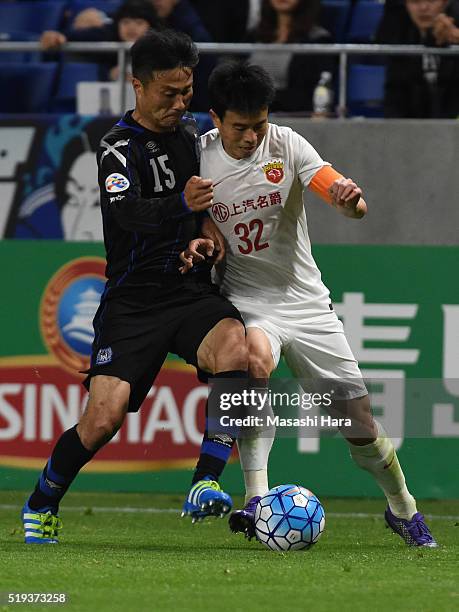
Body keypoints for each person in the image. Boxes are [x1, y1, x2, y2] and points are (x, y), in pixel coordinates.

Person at [181, 61, 438, 547]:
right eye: (240, 127)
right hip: (246, 299)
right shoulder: (199, 156)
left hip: (305, 302)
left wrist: (347, 199)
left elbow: (345, 199)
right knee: (254, 362)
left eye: (259, 124)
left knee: (356, 422)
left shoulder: (288, 144)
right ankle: (257, 503)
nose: (252, 137)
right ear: (215, 118)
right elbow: (186, 218)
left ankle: (402, 507)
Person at [21, 30, 249, 544]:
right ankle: (42, 501)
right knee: (102, 419)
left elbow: (200, 206)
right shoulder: (116, 149)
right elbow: (126, 214)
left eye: (186, 92)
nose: (179, 103)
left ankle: (205, 482)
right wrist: (184, 208)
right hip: (133, 300)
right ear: (137, 87)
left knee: (237, 346)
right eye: (168, 93)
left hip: (188, 291)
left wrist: (203, 233)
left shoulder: (192, 134)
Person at [247, 0, 335, 113]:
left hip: (289, 116)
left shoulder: (318, 39)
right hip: (248, 112)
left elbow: (307, 94)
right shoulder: (254, 34)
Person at [376, 0, 459, 118]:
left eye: (431, 1)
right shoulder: (399, 36)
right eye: (415, 1)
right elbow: (394, 100)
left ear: (445, 2)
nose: (423, 8)